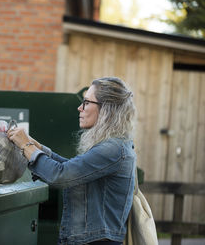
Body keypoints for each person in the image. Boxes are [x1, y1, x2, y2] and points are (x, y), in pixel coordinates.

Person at [7, 77, 136, 245]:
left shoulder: (112, 148)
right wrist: (35, 147)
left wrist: (26, 145)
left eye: (87, 102)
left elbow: (61, 175)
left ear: (107, 110)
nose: (79, 108)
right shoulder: (114, 145)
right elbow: (70, 169)